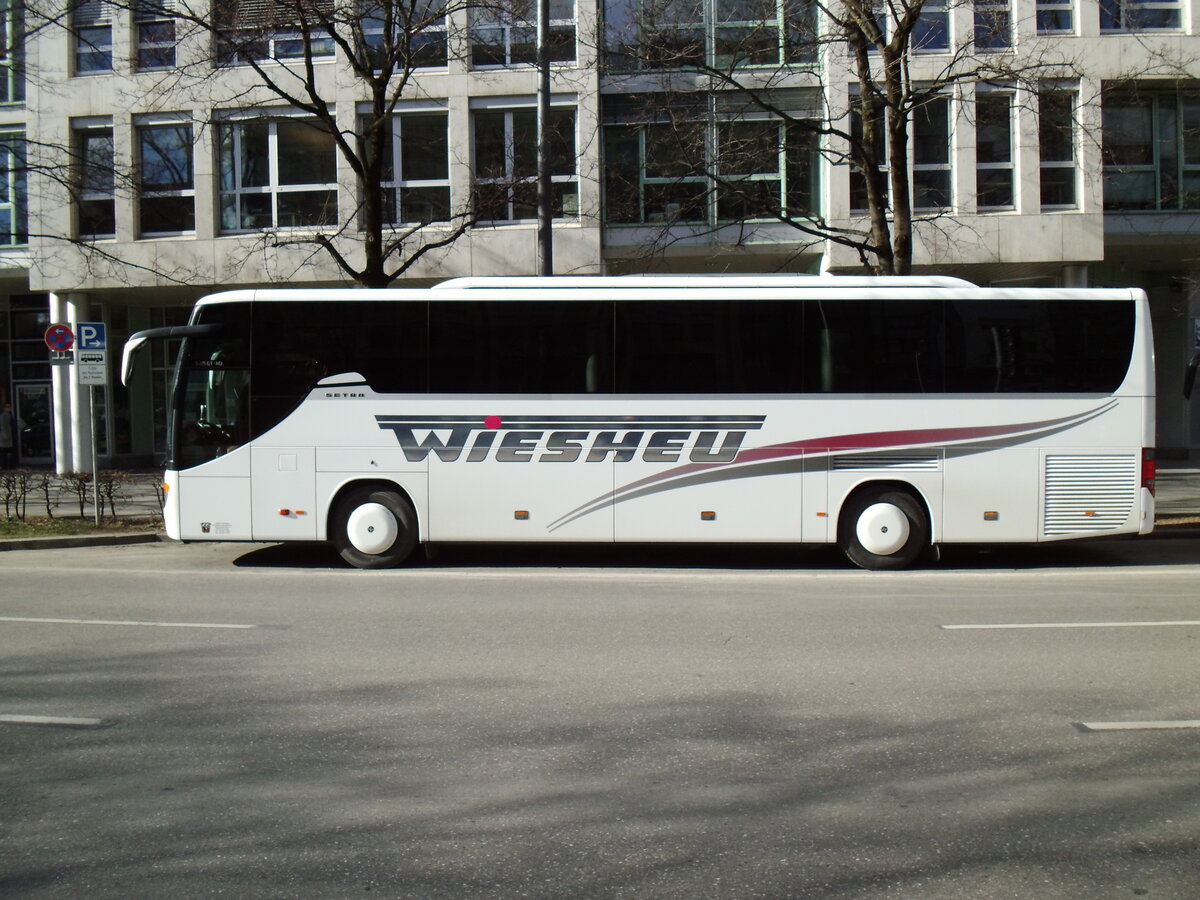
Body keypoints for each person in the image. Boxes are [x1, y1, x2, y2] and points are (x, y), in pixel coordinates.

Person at [0, 400, 22, 468]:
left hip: (9, 435)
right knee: (5, 452)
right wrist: (5, 435)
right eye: (6, 407)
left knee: (7, 451)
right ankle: (6, 465)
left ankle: (8, 465)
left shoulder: (10, 415)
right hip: (6, 436)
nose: (8, 408)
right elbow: (3, 426)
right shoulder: (4, 415)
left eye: (9, 407)